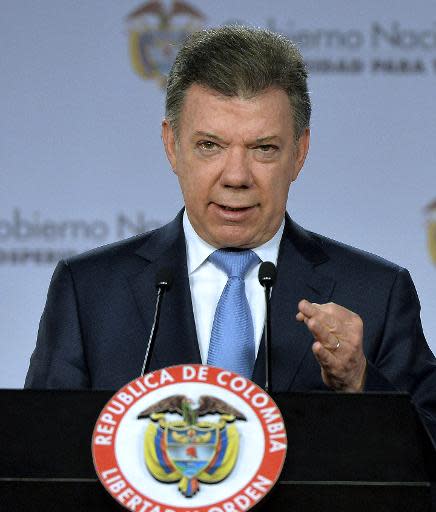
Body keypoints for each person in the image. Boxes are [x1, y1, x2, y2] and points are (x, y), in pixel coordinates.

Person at [25, 26, 436, 440]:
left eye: (263, 149)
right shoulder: (90, 292)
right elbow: (37, 463)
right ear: (171, 145)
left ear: (299, 153)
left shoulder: (374, 295)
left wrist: (361, 382)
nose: (236, 177)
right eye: (210, 145)